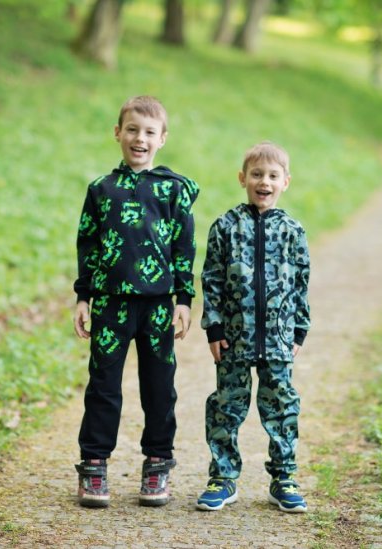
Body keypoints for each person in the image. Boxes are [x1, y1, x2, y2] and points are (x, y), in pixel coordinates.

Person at [72, 95, 199, 508]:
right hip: (110, 304)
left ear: (162, 138)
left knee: (159, 387)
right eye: (132, 130)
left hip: (159, 305)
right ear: (117, 133)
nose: (139, 138)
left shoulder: (173, 190)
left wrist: (183, 298)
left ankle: (158, 462)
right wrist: (83, 295)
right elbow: (87, 242)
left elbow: (184, 246)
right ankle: (94, 466)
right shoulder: (101, 189)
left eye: (148, 132)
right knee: (104, 385)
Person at [195, 141, 310, 513]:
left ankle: (284, 477)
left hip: (278, 338)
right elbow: (210, 279)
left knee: (281, 406)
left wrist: (298, 330)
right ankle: (223, 477)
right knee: (227, 406)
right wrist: (213, 327)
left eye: (273, 176)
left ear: (286, 182)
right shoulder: (226, 227)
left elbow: (301, 282)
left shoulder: (293, 230)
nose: (265, 182)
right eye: (257, 174)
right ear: (243, 178)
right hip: (233, 338)